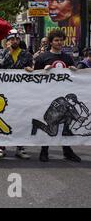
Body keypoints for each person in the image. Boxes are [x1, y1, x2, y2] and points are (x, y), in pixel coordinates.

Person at [29, 29, 81, 162]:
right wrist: (42, 71)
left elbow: (73, 76)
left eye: (61, 40)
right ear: (51, 42)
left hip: (63, 94)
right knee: (51, 124)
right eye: (56, 40)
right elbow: (35, 77)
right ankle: (44, 150)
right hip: (47, 95)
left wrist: (75, 71)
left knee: (66, 126)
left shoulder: (67, 58)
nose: (59, 42)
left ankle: (67, 150)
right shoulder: (42, 57)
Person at [0, 30, 33, 160]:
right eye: (12, 39)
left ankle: (20, 148)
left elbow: (31, 69)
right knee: (3, 119)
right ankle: (1, 147)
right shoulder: (2, 53)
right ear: (8, 41)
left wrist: (29, 70)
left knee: (20, 120)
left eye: (16, 39)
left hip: (21, 92)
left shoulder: (26, 54)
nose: (14, 41)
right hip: (5, 92)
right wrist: (8, 53)